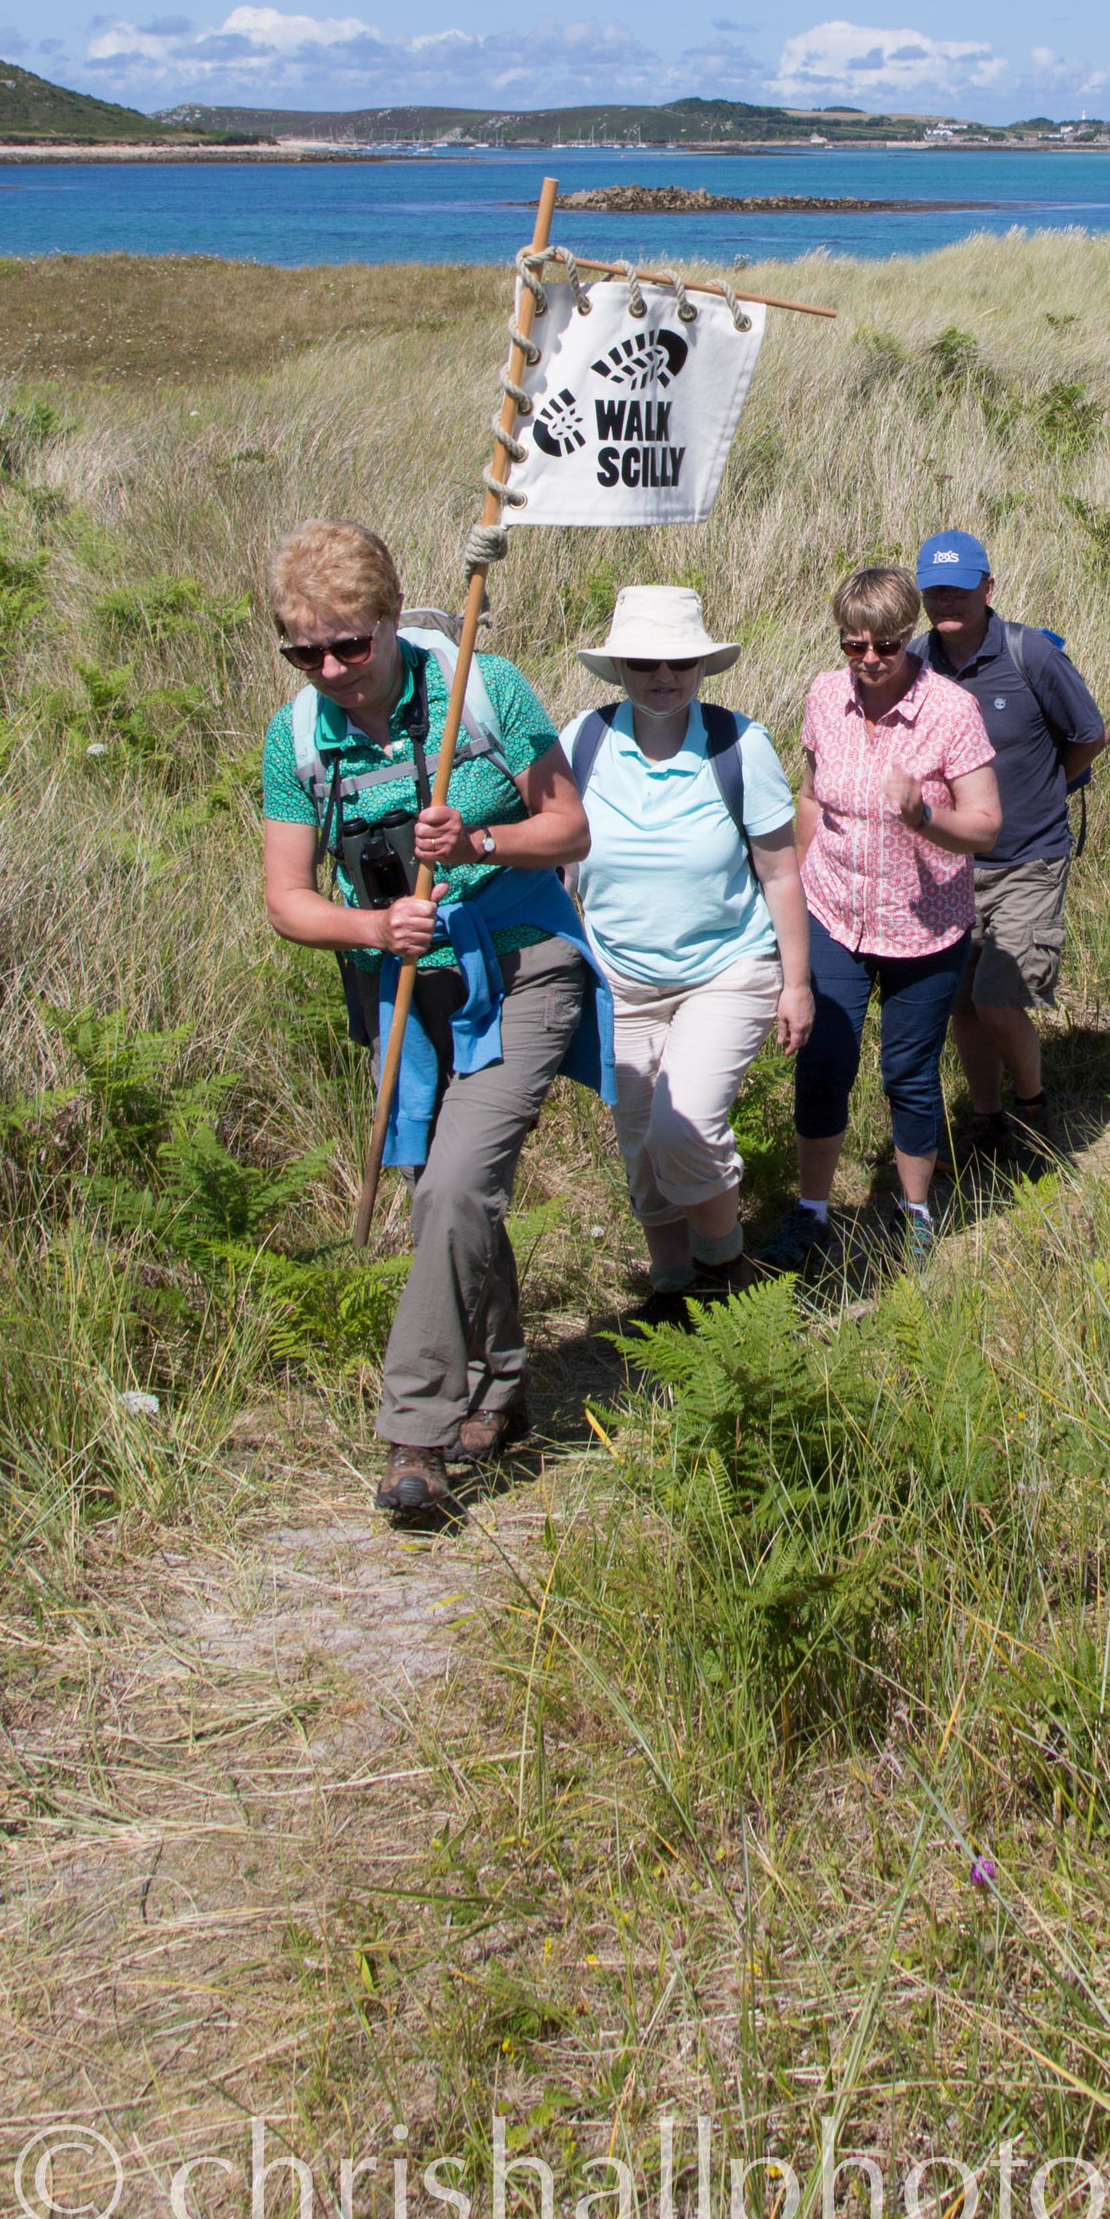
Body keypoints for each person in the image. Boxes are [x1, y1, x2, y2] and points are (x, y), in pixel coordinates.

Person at [259, 520, 600, 1529]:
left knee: (453, 1184)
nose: (330, 669)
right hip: (402, 997)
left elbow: (570, 826)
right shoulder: (297, 740)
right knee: (451, 1195)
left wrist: (481, 835)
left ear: (389, 623)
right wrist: (372, 923)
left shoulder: (480, 691)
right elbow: (287, 899)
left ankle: (415, 1434)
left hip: (524, 968)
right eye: (304, 651)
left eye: (348, 645)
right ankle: (499, 1393)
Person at [563, 584, 814, 1325]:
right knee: (642, 1148)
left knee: (684, 1125)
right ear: (620, 669)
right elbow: (558, 864)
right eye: (644, 662)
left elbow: (780, 870)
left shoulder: (740, 744)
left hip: (726, 972)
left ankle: (724, 1270)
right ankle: (671, 1284)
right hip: (621, 980)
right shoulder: (583, 740)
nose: (663, 676)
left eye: (679, 661)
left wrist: (795, 984)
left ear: (703, 666)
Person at [763, 564, 1002, 1280]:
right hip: (834, 910)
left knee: (908, 1073)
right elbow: (812, 797)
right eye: (853, 644)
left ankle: (914, 1213)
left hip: (923, 926)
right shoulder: (823, 696)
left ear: (908, 639)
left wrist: (924, 815)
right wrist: (798, 892)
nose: (868, 661)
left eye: (885, 646)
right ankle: (811, 1213)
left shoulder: (950, 712)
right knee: (823, 1064)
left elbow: (986, 827)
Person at [916, 529, 1108, 1166]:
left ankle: (1034, 1113)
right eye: (935, 590)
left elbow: (1088, 735)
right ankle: (987, 1118)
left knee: (1000, 998)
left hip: (1028, 856)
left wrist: (1049, 787)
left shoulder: (1030, 655)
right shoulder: (917, 663)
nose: (948, 602)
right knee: (964, 1004)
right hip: (949, 864)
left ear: (988, 589)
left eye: (961, 589)